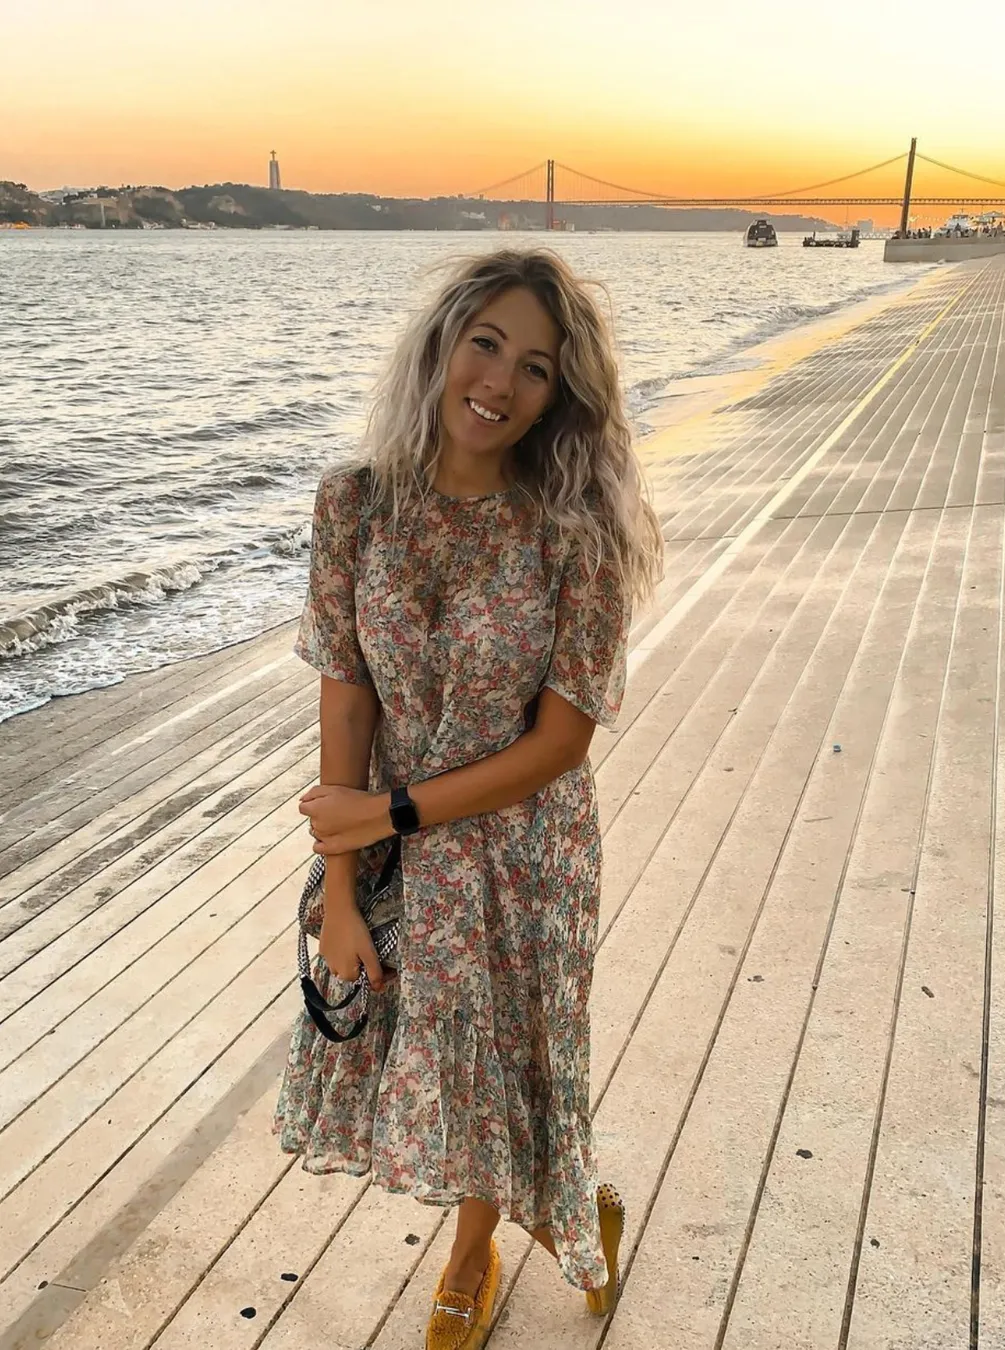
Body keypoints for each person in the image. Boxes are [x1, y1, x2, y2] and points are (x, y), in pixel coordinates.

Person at [275, 249, 664, 1350]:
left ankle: (469, 1257)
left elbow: (561, 742)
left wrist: (387, 815)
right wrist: (340, 887)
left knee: (502, 1067)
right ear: (442, 344)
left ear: (559, 395)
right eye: (485, 344)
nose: (499, 381)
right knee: (432, 1062)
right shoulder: (354, 505)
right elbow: (347, 699)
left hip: (526, 848)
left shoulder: (575, 529)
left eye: (536, 367)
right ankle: (576, 1209)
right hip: (394, 845)